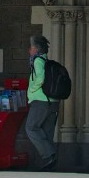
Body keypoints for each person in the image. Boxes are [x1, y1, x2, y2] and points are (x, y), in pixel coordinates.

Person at [25, 35, 60, 170]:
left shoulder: (38, 61)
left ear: (36, 49)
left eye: (31, 47)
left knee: (31, 127)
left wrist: (32, 90)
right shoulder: (47, 61)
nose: (29, 50)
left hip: (40, 100)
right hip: (53, 102)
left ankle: (49, 154)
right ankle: (50, 161)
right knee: (46, 131)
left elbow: (40, 78)